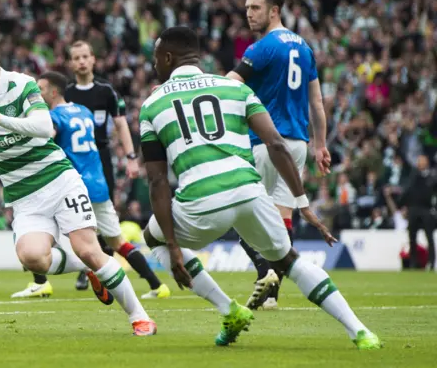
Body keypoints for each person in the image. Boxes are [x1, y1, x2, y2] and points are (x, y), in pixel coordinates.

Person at [140, 26, 380, 349]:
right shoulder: (235, 89)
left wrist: (172, 246)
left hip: (200, 204)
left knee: (151, 236)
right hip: (249, 192)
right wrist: (302, 201)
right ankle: (360, 331)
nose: (155, 65)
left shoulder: (153, 104)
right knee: (290, 261)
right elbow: (277, 144)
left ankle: (229, 309)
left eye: (156, 59)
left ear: (168, 58)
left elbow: (157, 180)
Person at [0, 33, 156, 336]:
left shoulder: (22, 85)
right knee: (33, 257)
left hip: (59, 180)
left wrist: (0, 119)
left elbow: (44, 127)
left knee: (88, 247)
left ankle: (140, 317)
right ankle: (89, 269)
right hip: (24, 196)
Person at [11, 70, 170, 300]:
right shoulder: (83, 112)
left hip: (72, 187)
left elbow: (44, 138)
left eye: (42, 89)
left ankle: (43, 282)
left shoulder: (53, 117)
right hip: (98, 183)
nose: (38, 93)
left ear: (54, 91)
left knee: (31, 225)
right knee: (118, 242)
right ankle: (156, 285)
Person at [225, 0, 331, 310]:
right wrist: (320, 144)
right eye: (246, 7)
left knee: (236, 211)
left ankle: (263, 271)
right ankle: (272, 293)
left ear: (274, 11)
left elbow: (230, 83)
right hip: (297, 143)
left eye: (255, 7)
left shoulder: (262, 48)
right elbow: (316, 101)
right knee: (282, 216)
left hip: (265, 142)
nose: (249, 13)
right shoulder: (305, 48)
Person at [64, 40, 140, 290]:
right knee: (80, 214)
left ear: (93, 59)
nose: (82, 61)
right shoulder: (67, 94)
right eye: (77, 58)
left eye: (85, 56)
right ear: (71, 62)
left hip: (101, 159)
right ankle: (89, 266)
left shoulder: (106, 91)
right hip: (74, 161)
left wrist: (130, 157)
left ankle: (99, 266)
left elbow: (120, 125)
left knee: (105, 213)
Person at [399, 154, 436, 269]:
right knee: (412, 237)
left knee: (429, 236)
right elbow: (407, 191)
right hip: (413, 208)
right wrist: (402, 205)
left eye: (423, 161)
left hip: (426, 209)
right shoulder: (413, 176)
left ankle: (431, 262)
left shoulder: (432, 176)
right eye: (419, 161)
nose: (421, 163)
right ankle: (413, 262)